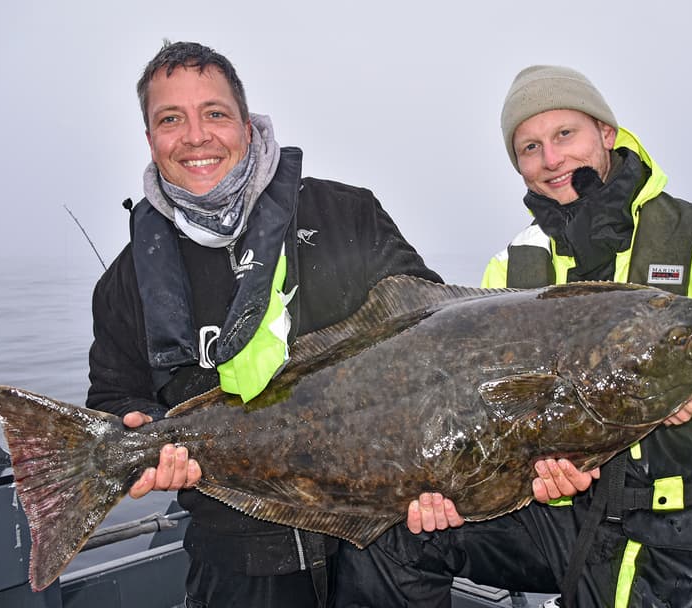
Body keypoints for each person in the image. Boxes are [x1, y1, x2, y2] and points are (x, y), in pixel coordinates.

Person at [335, 65, 692, 607]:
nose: (552, 159)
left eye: (566, 134)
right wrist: (455, 489)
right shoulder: (510, 270)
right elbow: (483, 417)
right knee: (394, 540)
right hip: (565, 525)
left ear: (606, 133)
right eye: (530, 147)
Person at [86, 41, 441, 608]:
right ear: (150, 139)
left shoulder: (348, 215)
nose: (196, 136)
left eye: (215, 114)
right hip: (234, 556)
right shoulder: (125, 283)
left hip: (383, 539)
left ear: (247, 126)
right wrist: (140, 432)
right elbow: (113, 397)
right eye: (170, 119)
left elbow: (430, 337)